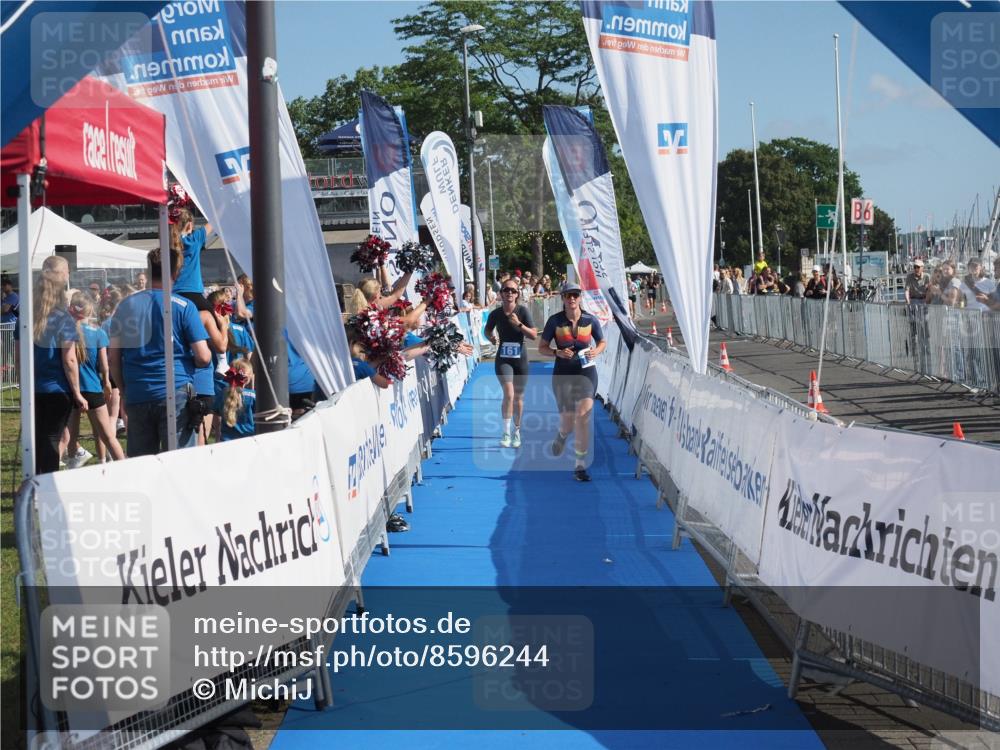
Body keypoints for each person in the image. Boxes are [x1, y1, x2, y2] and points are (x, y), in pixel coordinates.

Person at [110, 247, 211, 456]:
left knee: (141, 464)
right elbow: (203, 355)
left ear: (148, 271)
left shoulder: (124, 306)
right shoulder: (185, 306)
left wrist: (124, 390)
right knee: (180, 463)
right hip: (176, 391)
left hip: (138, 391)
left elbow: (114, 358)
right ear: (176, 273)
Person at [24, 256, 88, 473]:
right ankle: (45, 489)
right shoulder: (64, 319)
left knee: (38, 439)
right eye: (67, 271)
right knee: (52, 439)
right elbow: (69, 360)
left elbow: (18, 356)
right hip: (56, 389)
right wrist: (78, 393)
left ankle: (34, 484)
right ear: (62, 277)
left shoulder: (27, 316)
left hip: (33, 388)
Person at [538, 282, 606, 482]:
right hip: (563, 374)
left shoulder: (590, 320)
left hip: (586, 372)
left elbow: (602, 341)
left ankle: (579, 465)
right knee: (568, 422)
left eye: (575, 295)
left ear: (580, 297)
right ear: (563, 298)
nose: (572, 299)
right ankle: (562, 434)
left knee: (583, 416)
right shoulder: (555, 321)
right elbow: (542, 347)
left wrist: (597, 351)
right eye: (568, 295)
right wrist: (556, 352)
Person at [68, 292, 125, 462]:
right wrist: (107, 381)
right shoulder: (99, 333)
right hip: (93, 388)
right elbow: (104, 365)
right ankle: (118, 465)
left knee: (70, 436)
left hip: (72, 389)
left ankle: (71, 466)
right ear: (91, 310)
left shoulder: (65, 333)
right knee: (107, 435)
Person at [484, 279, 537, 448]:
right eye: (506, 290)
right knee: (509, 393)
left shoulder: (523, 311)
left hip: (520, 359)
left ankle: (517, 431)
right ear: (501, 293)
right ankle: (506, 432)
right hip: (503, 359)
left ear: (517, 294)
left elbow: (534, 335)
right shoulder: (496, 314)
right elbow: (487, 329)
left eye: (513, 291)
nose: (509, 293)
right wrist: (490, 337)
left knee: (519, 398)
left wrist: (519, 325)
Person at [170, 206, 214, 313]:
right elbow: (214, 221)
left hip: (174, 293)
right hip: (193, 292)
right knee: (217, 323)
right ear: (189, 225)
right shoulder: (194, 240)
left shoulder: (168, 243)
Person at [219, 359, 255, 441]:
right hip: (249, 440)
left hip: (226, 441)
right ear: (247, 379)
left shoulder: (222, 394)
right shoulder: (253, 395)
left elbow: (216, 410)